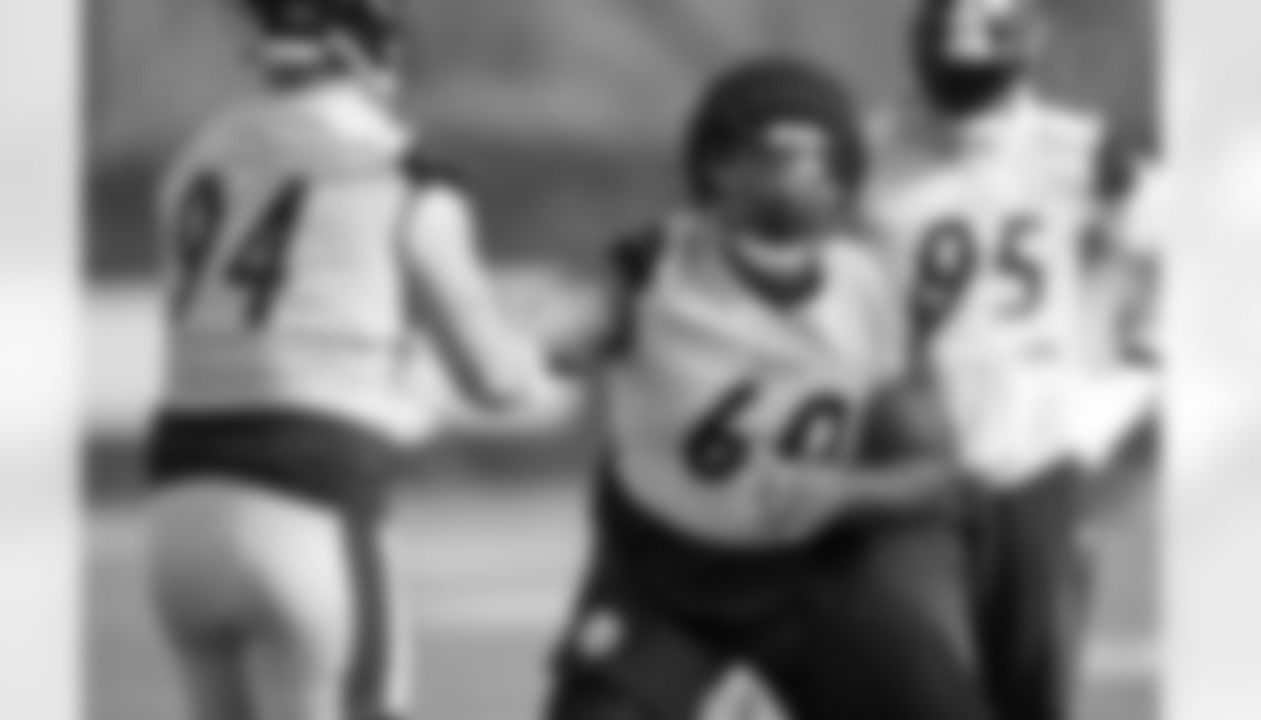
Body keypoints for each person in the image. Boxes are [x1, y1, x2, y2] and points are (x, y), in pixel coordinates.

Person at [141, 1, 564, 719]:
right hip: (311, 506)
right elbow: (494, 379)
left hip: (178, 516)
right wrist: (543, 355)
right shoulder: (399, 172)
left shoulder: (196, 159)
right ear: (360, 51)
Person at [542, 57, 999, 720]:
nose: (795, 176)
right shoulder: (652, 270)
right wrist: (563, 341)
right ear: (717, 169)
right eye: (772, 155)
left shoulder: (870, 290)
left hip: (807, 576)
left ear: (844, 177)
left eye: (814, 158)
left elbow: (938, 472)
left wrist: (844, 491)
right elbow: (555, 347)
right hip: (659, 579)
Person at [868, 1, 1160, 718]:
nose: (965, 84)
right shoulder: (863, 154)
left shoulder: (1086, 154)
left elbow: (1201, 258)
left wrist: (1124, 387)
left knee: (1033, 694)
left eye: (980, 62)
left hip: (1033, 459)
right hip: (902, 461)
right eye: (951, 58)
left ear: (1030, 45)